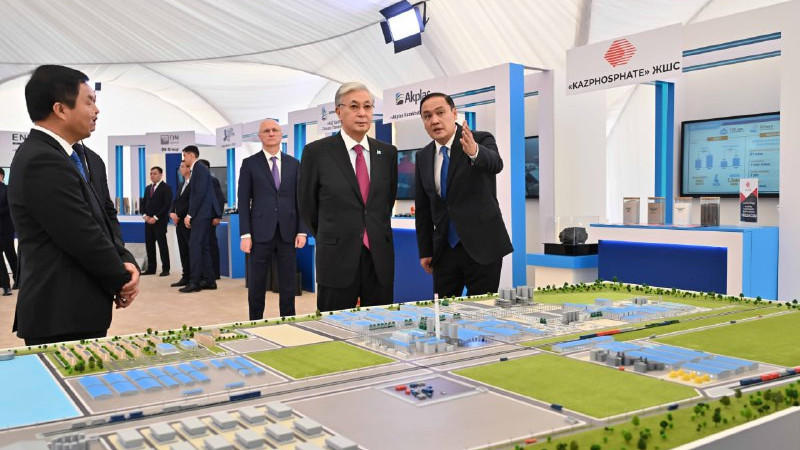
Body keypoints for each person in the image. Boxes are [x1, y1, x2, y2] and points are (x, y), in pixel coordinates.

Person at [9, 64, 140, 345]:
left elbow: (105, 216)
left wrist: (126, 259)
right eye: (89, 101)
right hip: (59, 312)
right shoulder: (41, 159)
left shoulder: (81, 157)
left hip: (78, 309)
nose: (96, 110)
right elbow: (81, 233)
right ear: (60, 109)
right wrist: (121, 279)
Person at [299, 82, 397, 312]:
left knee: (380, 325)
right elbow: (307, 205)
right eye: (354, 106)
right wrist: (331, 235)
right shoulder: (317, 152)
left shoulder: (387, 153)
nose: (362, 113)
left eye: (367, 106)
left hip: (378, 258)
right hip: (336, 257)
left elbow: (386, 202)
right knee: (334, 325)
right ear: (338, 111)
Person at [414, 92, 513, 298]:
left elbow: (496, 164)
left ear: (454, 113)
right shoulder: (423, 156)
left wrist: (474, 151)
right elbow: (423, 208)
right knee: (444, 310)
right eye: (427, 116)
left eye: (440, 113)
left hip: (482, 246)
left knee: (481, 310)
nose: (434, 120)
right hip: (444, 250)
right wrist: (425, 250)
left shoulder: (480, 139)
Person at [239, 119, 308, 319]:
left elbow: (300, 200)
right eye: (266, 131)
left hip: (288, 232)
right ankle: (255, 322)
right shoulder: (249, 164)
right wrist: (245, 234)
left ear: (281, 134)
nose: (271, 133)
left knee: (288, 283)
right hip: (259, 233)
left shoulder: (294, 164)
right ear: (260, 136)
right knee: (257, 283)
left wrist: (302, 230)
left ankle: (289, 321)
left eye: (275, 130)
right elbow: (243, 201)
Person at [180, 145, 221, 293]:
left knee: (195, 246)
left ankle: (194, 282)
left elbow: (199, 194)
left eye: (185, 155)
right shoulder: (199, 169)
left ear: (191, 155)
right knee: (203, 246)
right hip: (203, 214)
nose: (184, 159)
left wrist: (189, 215)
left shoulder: (199, 169)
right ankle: (210, 280)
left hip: (201, 214)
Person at [140, 166, 172, 276]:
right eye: (151, 173)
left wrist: (156, 217)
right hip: (148, 221)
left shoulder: (166, 188)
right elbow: (143, 204)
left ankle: (166, 269)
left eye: (155, 173)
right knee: (149, 245)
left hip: (160, 221)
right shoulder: (148, 188)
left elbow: (167, 205)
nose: (152, 175)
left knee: (162, 245)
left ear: (161, 175)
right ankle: (151, 269)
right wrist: (145, 216)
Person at [198, 159, 225, 280]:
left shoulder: (212, 180)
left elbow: (219, 199)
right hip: (200, 219)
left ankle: (215, 273)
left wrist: (218, 216)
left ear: (206, 168)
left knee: (211, 245)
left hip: (210, 219)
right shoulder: (197, 181)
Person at [169, 160, 192, 287]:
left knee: (190, 251)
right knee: (183, 251)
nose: (180, 169)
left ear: (189, 168)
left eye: (183, 167)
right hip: (179, 223)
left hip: (188, 222)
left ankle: (193, 278)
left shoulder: (193, 184)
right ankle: (185, 276)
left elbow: (191, 203)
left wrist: (179, 215)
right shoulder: (182, 184)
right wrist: (172, 213)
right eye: (180, 167)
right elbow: (175, 201)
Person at [0, 169, 17, 295]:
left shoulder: (7, 189)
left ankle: (18, 279)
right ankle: (5, 285)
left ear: (1, 176)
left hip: (6, 229)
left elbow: (9, 208)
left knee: (10, 254)